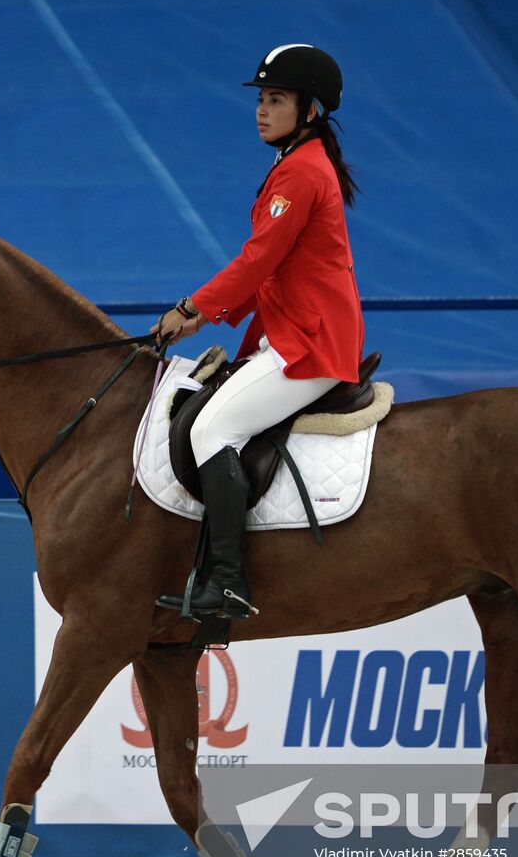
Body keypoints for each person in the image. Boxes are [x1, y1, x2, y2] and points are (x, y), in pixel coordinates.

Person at [152, 44, 365, 621]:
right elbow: (269, 270)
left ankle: (229, 582)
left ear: (311, 110)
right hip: (290, 330)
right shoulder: (295, 162)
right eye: (262, 99)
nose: (261, 110)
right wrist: (206, 317)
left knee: (214, 430)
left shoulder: (300, 171)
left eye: (276, 100)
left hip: (312, 343)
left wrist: (191, 303)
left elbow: (256, 260)